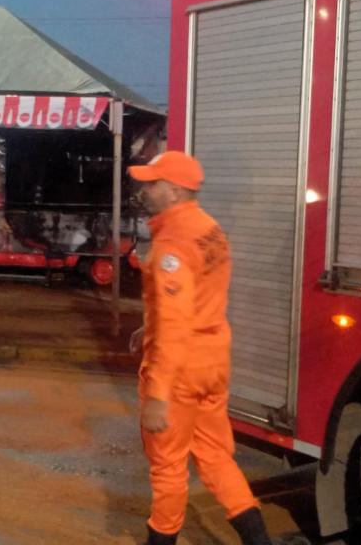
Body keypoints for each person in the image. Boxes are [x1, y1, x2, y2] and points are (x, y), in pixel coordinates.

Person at [129, 151, 274, 545]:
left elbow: (176, 324)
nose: (144, 190)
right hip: (212, 361)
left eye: (152, 183)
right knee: (214, 455)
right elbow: (199, 296)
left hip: (181, 371)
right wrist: (149, 327)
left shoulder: (172, 245)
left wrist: (158, 394)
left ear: (174, 191)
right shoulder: (209, 228)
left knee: (168, 468)